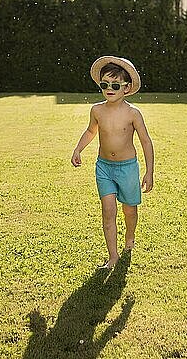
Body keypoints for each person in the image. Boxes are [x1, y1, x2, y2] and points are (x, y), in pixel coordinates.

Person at [71, 56, 154, 269]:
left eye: (115, 85)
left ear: (126, 88)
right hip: (104, 167)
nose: (109, 88)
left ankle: (129, 238)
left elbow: (145, 141)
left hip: (127, 168)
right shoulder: (97, 111)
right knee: (108, 210)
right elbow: (91, 131)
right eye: (104, 84)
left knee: (129, 210)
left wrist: (149, 172)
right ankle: (113, 256)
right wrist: (78, 148)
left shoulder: (133, 113)